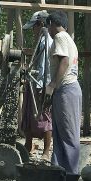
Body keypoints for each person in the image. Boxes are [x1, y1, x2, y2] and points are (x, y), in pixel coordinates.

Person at [45, 11, 81, 181]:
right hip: (68, 90)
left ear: (51, 23)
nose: (48, 31)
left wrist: (52, 84)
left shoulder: (59, 37)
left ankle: (70, 179)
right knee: (60, 135)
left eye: (48, 26)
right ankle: (59, 177)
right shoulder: (68, 38)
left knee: (67, 135)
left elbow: (64, 62)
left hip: (66, 89)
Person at [20, 10, 53, 162]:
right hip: (34, 81)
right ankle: (28, 145)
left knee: (44, 116)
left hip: (42, 84)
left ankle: (46, 151)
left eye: (34, 27)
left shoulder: (47, 42)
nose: (33, 30)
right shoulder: (41, 41)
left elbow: (45, 67)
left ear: (40, 25)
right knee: (28, 114)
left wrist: (43, 85)